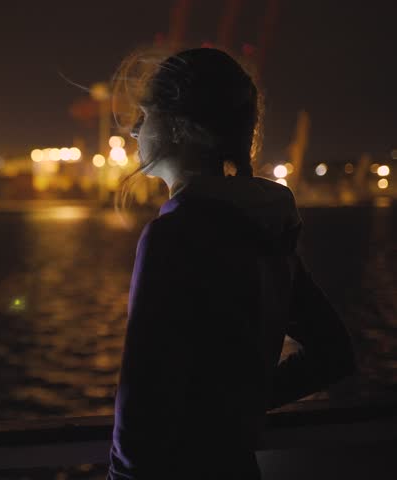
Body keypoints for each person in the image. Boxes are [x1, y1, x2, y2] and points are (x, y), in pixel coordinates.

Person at [108, 48, 356, 479]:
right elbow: (334, 354)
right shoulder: (267, 227)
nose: (133, 129)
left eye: (146, 114)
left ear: (183, 127)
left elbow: (141, 416)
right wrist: (240, 402)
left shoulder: (173, 236)